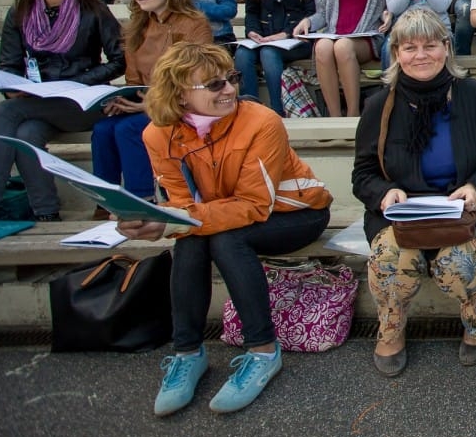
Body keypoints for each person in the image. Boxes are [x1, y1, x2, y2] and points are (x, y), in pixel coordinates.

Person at [118, 42, 332, 415]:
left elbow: (253, 204)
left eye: (230, 79)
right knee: (190, 239)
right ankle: (187, 353)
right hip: (226, 216)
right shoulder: (157, 134)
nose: (230, 89)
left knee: (219, 236)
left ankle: (264, 351)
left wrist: (178, 219)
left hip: (296, 212)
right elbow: (180, 199)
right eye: (214, 85)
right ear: (179, 94)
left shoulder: (261, 121)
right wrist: (161, 220)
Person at [352, 8, 476, 377]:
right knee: (391, 259)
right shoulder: (379, 105)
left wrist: (475, 187)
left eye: (430, 45)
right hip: (402, 217)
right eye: (410, 47)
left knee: (460, 262)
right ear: (396, 52)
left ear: (447, 48)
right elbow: (363, 173)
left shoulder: (473, 95)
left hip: (461, 213)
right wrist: (385, 193)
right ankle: (391, 327)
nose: (421, 55)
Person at [0, 0, 124, 222]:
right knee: (26, 134)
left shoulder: (94, 9)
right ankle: (46, 211)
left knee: (4, 113)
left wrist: (76, 82)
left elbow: (119, 60)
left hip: (83, 100)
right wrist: (14, 88)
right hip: (37, 101)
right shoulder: (19, 13)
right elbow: (9, 64)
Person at [92, 0, 213, 209]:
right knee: (103, 129)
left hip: (183, 103)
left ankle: (142, 201)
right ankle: (107, 202)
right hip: (147, 101)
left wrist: (152, 104)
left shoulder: (193, 23)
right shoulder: (138, 26)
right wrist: (124, 100)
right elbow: (134, 78)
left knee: (129, 128)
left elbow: (196, 76)